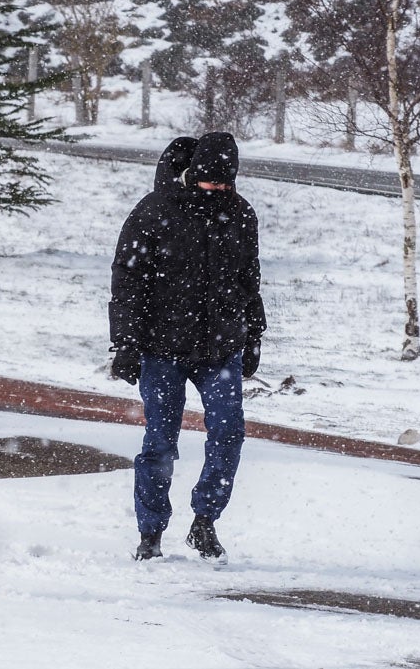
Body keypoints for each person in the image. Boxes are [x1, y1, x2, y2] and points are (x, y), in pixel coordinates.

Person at [108, 131, 266, 563]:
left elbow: (249, 279)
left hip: (221, 348)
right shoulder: (155, 211)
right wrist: (124, 343)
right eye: (208, 182)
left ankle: (204, 523)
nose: (216, 191)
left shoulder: (241, 215)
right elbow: (127, 279)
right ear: (192, 175)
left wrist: (254, 334)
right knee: (160, 442)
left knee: (229, 434)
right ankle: (151, 531)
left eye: (224, 184)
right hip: (162, 348)